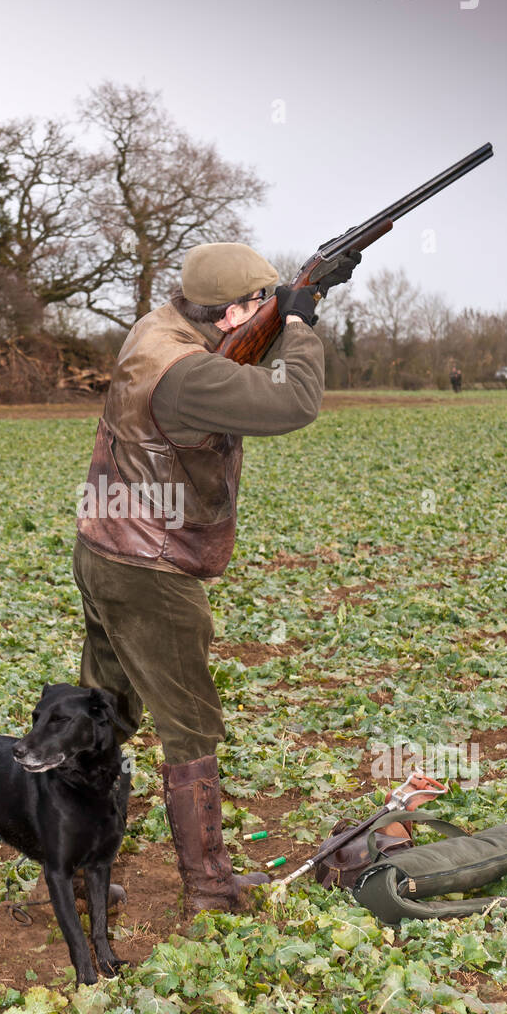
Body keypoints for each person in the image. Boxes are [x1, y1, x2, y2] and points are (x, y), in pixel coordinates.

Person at [73, 242, 359, 914]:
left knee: (99, 716)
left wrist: (288, 304)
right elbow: (294, 402)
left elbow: (234, 359)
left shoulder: (158, 328)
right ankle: (210, 888)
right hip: (148, 567)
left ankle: (73, 875)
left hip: (104, 547)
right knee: (190, 725)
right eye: (260, 302)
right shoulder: (190, 377)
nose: (269, 309)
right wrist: (300, 323)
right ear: (233, 311)